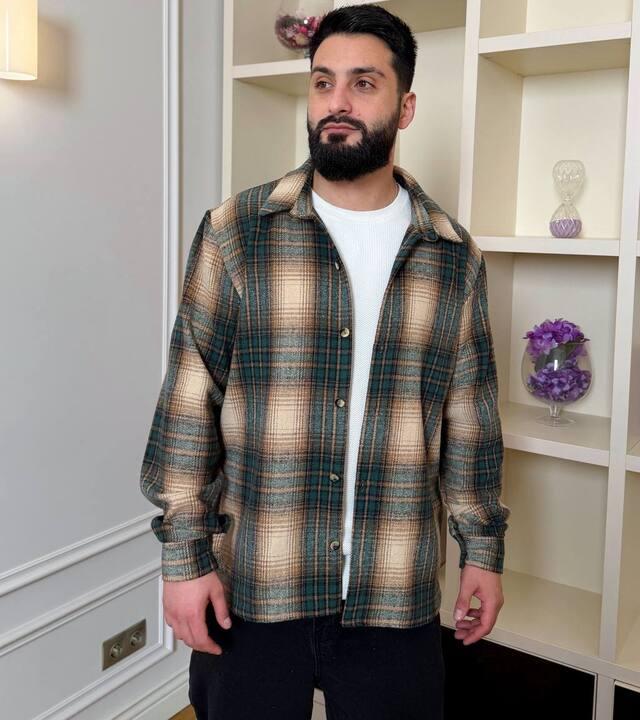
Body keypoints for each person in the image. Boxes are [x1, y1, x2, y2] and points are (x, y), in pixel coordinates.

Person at [139, 4, 511, 718]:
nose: (336, 102)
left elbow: (471, 420)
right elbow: (188, 403)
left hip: (394, 589)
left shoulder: (453, 255)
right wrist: (184, 559)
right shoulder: (235, 233)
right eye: (322, 82)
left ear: (405, 107)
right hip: (257, 582)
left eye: (363, 83)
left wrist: (482, 551)